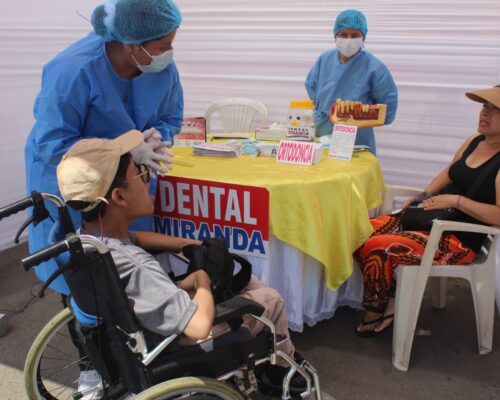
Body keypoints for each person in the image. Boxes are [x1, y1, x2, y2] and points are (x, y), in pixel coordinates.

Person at [56, 130, 305, 394]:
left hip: (138, 328)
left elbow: (136, 237)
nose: (148, 179)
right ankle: (281, 371)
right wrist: (201, 280)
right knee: (271, 299)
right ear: (119, 197)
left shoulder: (91, 239)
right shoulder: (139, 266)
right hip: (177, 344)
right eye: (141, 174)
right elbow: (198, 327)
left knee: (249, 282)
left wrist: (188, 246)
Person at [25, 0, 184, 293]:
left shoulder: (160, 68)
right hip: (74, 182)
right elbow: (52, 143)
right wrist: (123, 149)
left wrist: (155, 137)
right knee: (82, 272)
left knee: (130, 263)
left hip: (128, 181)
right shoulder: (73, 71)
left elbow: (171, 118)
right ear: (131, 45)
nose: (169, 53)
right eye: (163, 45)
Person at [354, 85, 500, 337]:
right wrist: (424, 195)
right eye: (484, 106)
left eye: (495, 109)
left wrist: (456, 201)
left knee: (377, 246)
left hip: (457, 238)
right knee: (358, 233)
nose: (484, 113)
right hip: (435, 218)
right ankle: (392, 297)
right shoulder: (474, 141)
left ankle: (375, 309)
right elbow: (449, 171)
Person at [305, 9, 398, 154]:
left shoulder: (374, 68)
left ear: (363, 38)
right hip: (322, 134)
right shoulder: (324, 60)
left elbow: (388, 109)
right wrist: (327, 111)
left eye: (354, 35)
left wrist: (358, 117)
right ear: (335, 36)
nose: (348, 39)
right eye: (343, 34)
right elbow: (311, 88)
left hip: (356, 139)